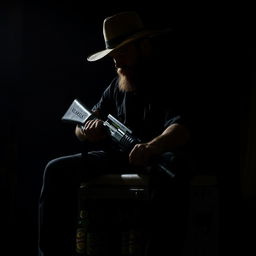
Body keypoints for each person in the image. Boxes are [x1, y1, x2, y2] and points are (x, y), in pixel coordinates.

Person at [38, 11, 193, 256]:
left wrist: (151, 147)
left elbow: (181, 127)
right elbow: (83, 123)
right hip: (117, 157)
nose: (117, 62)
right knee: (55, 170)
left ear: (144, 47)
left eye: (123, 52)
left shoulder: (167, 81)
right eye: (113, 55)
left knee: (172, 181)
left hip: (155, 159)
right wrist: (88, 133)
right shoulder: (116, 85)